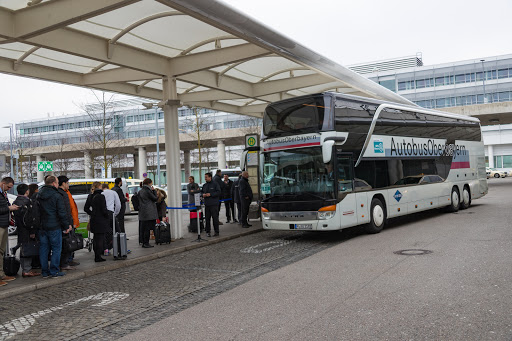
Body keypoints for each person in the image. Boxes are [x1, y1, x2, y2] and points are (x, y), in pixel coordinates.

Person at [38, 175, 72, 278]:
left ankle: (44, 272)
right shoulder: (57, 195)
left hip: (42, 226)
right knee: (56, 249)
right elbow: (61, 213)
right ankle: (54, 271)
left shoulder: (39, 194)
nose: (57, 185)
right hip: (54, 226)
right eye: (57, 183)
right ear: (53, 183)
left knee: (44, 249)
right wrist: (66, 225)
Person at [13, 184, 40, 278]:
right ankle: (27, 270)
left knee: (23, 248)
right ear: (27, 191)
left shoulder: (16, 201)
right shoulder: (27, 202)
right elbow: (30, 218)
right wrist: (32, 231)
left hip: (20, 229)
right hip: (27, 230)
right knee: (28, 249)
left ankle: (26, 268)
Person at [0, 177, 19, 286]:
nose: (8, 189)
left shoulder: (3, 193)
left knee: (1, 251)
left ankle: (2, 274)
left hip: (4, 224)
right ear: (3, 183)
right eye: (8, 187)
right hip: (0, 224)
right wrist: (9, 208)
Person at [84, 182, 109, 262]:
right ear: (99, 186)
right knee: (100, 238)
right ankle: (98, 256)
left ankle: (96, 255)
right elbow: (104, 209)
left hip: (93, 219)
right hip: (101, 220)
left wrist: (92, 213)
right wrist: (107, 216)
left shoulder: (90, 196)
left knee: (95, 238)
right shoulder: (101, 196)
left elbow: (86, 208)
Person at [57, 176, 77, 270]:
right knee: (66, 244)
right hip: (65, 223)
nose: (68, 185)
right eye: (67, 183)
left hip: (61, 223)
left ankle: (63, 262)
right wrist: (69, 223)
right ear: (63, 183)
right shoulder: (63, 194)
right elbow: (66, 210)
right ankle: (64, 263)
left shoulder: (59, 193)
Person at [138, 178, 158, 248]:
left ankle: (143, 242)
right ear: (149, 183)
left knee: (144, 228)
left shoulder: (140, 191)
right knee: (148, 228)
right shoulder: (148, 191)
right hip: (149, 212)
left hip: (142, 212)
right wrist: (154, 191)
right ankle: (146, 243)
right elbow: (155, 198)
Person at [101, 183, 121, 254]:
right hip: (110, 213)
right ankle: (119, 248)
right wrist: (115, 213)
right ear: (108, 187)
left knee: (105, 232)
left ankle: (105, 249)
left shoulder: (101, 193)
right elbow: (118, 205)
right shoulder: (113, 192)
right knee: (117, 231)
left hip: (102, 214)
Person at [201, 172, 221, 237]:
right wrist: (203, 195)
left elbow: (219, 192)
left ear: (210, 177)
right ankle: (208, 232)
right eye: (205, 177)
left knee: (215, 218)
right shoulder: (204, 185)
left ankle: (216, 232)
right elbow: (201, 193)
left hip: (214, 204)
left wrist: (211, 194)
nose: (205, 179)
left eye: (206, 177)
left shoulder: (215, 184)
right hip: (207, 204)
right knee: (207, 219)